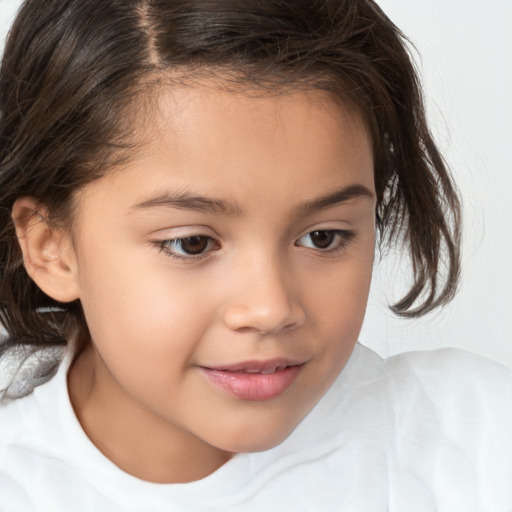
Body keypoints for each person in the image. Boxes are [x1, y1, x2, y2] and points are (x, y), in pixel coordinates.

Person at [0, 0, 511, 510]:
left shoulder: (480, 441)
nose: (271, 308)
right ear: (52, 249)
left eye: (323, 237)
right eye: (191, 243)